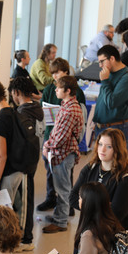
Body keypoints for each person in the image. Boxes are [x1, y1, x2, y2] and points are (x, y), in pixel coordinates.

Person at [37, 57, 86, 214]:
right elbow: (41, 110)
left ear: (66, 72)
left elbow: (80, 120)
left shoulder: (76, 94)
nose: (54, 77)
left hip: (65, 142)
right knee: (50, 171)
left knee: (65, 175)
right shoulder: (49, 89)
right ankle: (51, 198)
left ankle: (67, 205)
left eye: (57, 73)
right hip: (50, 135)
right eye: (52, 74)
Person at [69, 128, 128, 231]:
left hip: (113, 236)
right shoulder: (90, 168)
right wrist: (104, 206)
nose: (102, 150)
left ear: (117, 149)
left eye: (109, 146)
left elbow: (115, 215)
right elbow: (72, 198)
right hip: (90, 228)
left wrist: (86, 203)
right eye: (100, 144)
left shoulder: (126, 180)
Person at [42, 75, 84, 234]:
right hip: (61, 153)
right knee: (61, 188)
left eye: (58, 88)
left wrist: (47, 145)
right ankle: (59, 216)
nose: (55, 90)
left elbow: (61, 136)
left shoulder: (70, 110)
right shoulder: (67, 105)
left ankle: (60, 222)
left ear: (67, 91)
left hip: (64, 154)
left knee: (63, 189)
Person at [8, 77, 43, 251]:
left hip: (25, 165)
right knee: (25, 199)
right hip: (32, 162)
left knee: (24, 202)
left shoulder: (23, 114)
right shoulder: (36, 109)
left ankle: (26, 239)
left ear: (16, 93)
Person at [92, 45, 128, 143]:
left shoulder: (127, 78)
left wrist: (104, 81)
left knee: (115, 158)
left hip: (115, 128)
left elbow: (111, 103)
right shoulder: (109, 73)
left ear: (112, 58)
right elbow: (103, 98)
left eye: (102, 61)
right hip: (102, 127)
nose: (100, 65)